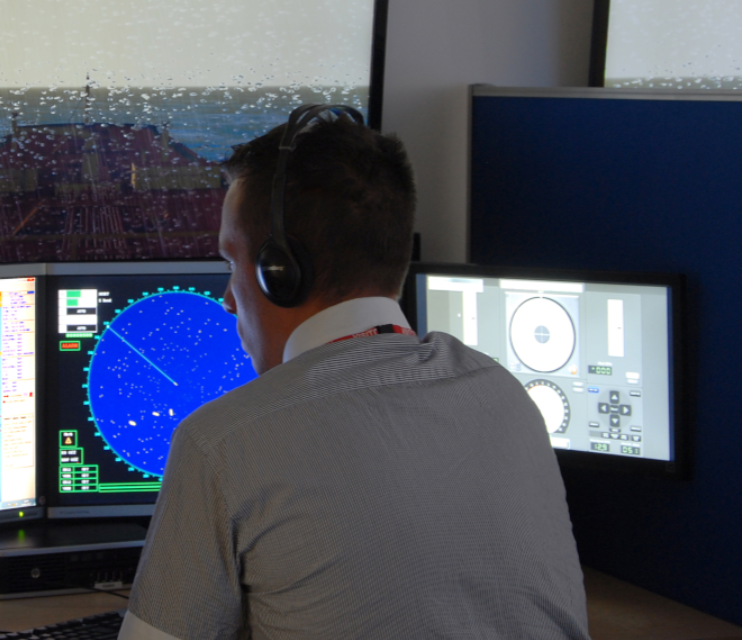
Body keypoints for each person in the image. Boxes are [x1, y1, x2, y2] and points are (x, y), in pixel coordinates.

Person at [118, 105, 590, 640]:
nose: (227, 299)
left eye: (232, 263)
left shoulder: (223, 443)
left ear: (281, 274)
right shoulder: (507, 395)